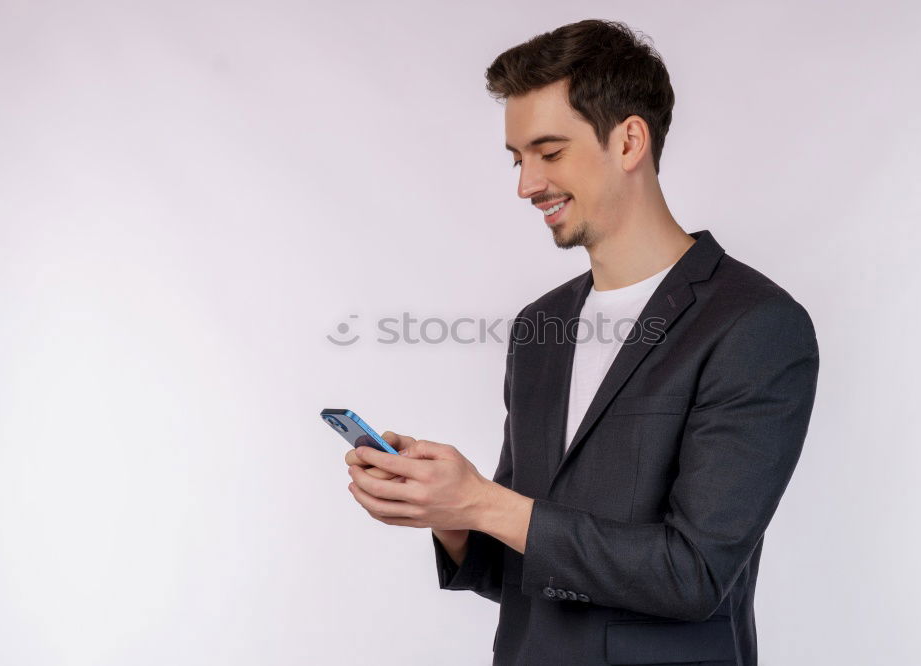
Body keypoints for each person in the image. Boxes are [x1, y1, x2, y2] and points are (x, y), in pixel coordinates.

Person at [344, 18, 819, 666]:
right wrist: (451, 513)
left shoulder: (755, 326)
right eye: (518, 159)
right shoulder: (538, 329)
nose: (526, 184)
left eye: (549, 151)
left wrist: (484, 501)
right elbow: (522, 569)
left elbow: (696, 575)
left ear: (629, 141)